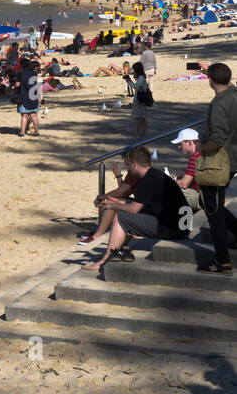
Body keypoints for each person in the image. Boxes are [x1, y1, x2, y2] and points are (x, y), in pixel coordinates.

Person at [85, 146, 188, 274]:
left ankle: (105, 260)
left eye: (129, 166)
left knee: (121, 217)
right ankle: (116, 251)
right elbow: (144, 206)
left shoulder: (146, 180)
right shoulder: (155, 174)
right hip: (181, 226)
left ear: (134, 164)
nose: (129, 169)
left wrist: (113, 206)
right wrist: (120, 202)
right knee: (125, 214)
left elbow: (134, 209)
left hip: (173, 229)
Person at [196, 62, 237, 275]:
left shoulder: (220, 103)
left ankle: (222, 262)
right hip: (232, 159)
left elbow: (218, 138)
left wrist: (201, 148)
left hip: (221, 162)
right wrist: (208, 70)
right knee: (211, 203)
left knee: (213, 211)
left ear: (210, 81)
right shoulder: (234, 93)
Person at [130, 61, 151, 139]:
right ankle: (143, 134)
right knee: (142, 118)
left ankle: (138, 134)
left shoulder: (141, 78)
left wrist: (129, 81)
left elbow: (136, 87)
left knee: (138, 118)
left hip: (139, 100)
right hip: (142, 100)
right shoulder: (142, 77)